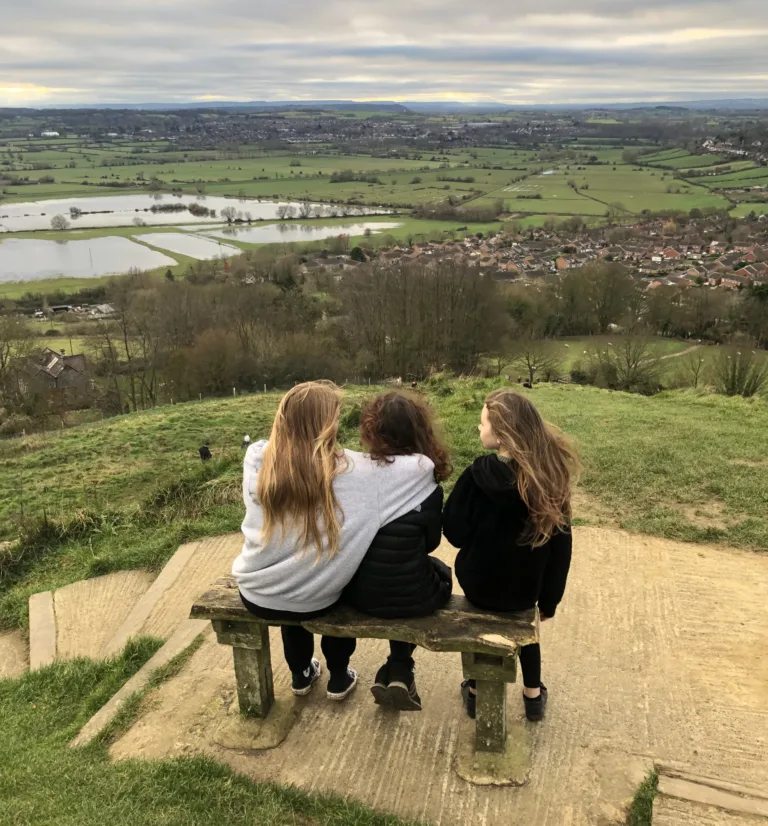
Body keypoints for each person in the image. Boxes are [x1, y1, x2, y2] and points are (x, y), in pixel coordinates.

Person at [232, 381, 437, 702]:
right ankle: (338, 677)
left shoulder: (257, 461)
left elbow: (271, 449)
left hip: (255, 593)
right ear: (328, 424)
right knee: (328, 589)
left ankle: (301, 675)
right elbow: (423, 468)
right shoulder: (352, 472)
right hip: (317, 598)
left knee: (294, 597)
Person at [443, 389, 579, 722]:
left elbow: (454, 531)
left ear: (501, 433)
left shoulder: (477, 475)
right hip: (524, 589)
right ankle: (533, 696)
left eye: (482, 423)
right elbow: (561, 549)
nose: (478, 428)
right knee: (526, 625)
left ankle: (474, 692)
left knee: (481, 624)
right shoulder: (548, 478)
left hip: (479, 584)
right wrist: (549, 601)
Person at [344, 391, 453, 711]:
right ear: (420, 430)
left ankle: (394, 670)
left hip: (361, 593)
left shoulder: (354, 475)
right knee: (437, 573)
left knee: (391, 573)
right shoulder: (427, 481)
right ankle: (400, 667)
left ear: (371, 431)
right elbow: (431, 543)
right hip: (413, 595)